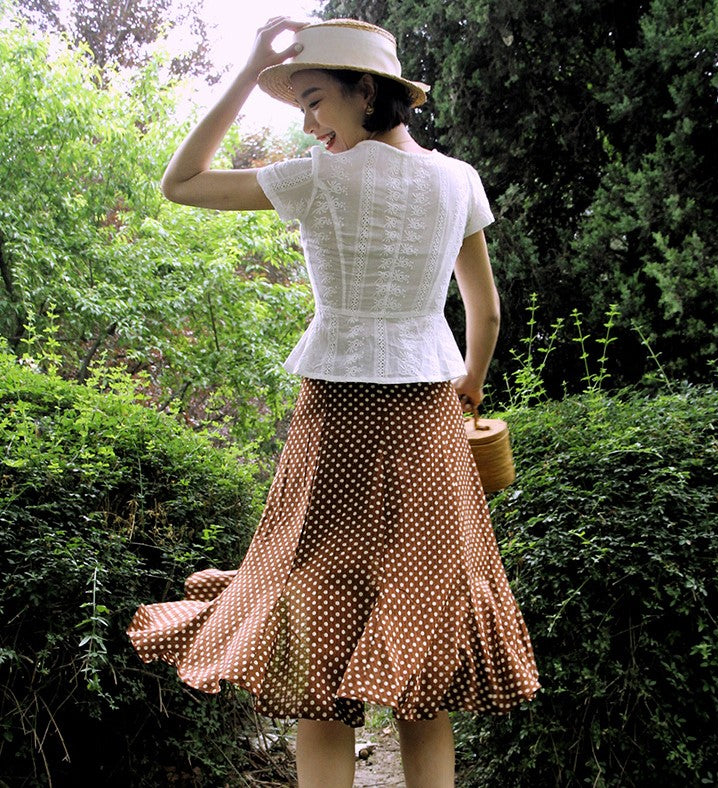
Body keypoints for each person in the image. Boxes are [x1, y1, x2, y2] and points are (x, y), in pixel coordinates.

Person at [127, 17, 540, 788]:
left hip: (336, 418)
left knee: (313, 630)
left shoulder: (316, 178)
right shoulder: (460, 180)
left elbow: (179, 184)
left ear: (366, 92)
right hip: (426, 419)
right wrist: (470, 385)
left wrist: (252, 64)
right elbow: (481, 311)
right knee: (431, 646)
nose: (310, 123)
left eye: (316, 101)